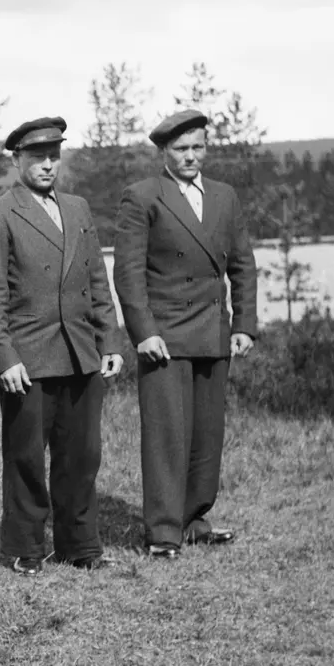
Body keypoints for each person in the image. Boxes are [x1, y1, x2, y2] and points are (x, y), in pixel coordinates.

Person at [0, 116, 125, 576]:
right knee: (25, 458)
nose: (46, 165)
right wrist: (5, 358)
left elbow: (97, 278)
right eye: (36, 157)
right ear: (17, 160)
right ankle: (24, 548)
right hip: (29, 360)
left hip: (81, 353)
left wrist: (109, 339)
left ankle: (81, 546)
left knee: (82, 456)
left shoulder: (77, 209)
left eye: (53, 156)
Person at [112, 108, 257, 559]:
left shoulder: (225, 196)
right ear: (164, 152)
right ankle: (163, 532)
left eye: (198, 147)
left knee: (207, 435)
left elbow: (243, 265)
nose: (191, 156)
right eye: (181, 149)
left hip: (214, 333)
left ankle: (195, 519)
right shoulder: (142, 196)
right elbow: (128, 274)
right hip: (165, 337)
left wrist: (244, 325)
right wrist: (143, 332)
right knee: (167, 435)